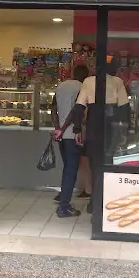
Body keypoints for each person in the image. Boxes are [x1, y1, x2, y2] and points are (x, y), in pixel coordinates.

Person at [53, 56, 130, 214]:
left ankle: (94, 203)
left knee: (94, 165)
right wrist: (124, 132)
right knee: (108, 163)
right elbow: (125, 110)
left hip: (94, 126)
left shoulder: (88, 82)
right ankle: (105, 201)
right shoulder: (117, 82)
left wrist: (76, 129)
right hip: (110, 127)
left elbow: (78, 108)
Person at [50, 64, 89, 218]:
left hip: (61, 136)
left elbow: (53, 109)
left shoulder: (61, 86)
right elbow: (76, 111)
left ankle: (64, 200)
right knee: (71, 171)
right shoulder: (82, 87)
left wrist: (58, 128)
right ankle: (64, 207)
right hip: (73, 135)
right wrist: (66, 127)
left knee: (68, 169)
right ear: (85, 76)